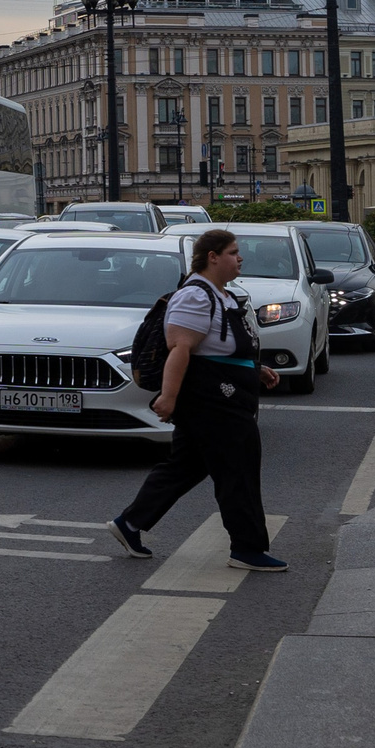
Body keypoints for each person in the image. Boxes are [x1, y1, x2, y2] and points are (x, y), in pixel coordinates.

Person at [109, 227, 286, 573]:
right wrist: (169, 397)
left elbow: (218, 348)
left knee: (186, 465)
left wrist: (256, 369)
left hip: (223, 395)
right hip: (213, 400)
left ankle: (130, 524)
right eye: (234, 252)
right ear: (213, 257)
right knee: (238, 468)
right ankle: (247, 548)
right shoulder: (195, 296)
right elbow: (180, 348)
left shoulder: (220, 294)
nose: (240, 258)